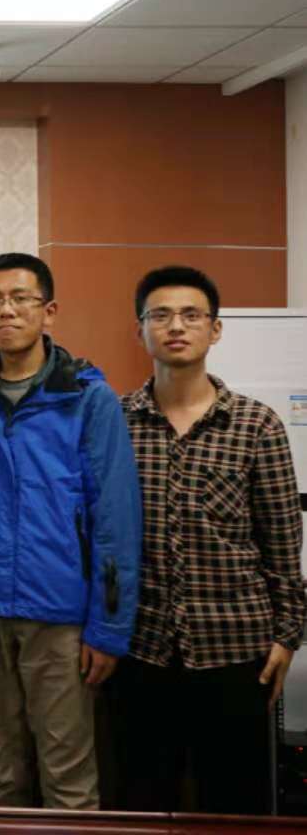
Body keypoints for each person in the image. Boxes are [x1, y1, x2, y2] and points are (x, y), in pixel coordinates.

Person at [0, 252, 141, 810]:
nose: (6, 310)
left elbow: (115, 520)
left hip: (61, 616)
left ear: (48, 311)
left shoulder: (87, 398)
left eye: (20, 299)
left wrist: (109, 628)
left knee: (68, 776)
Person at [112, 265, 304, 814]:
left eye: (191, 315)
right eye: (161, 315)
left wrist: (288, 637)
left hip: (237, 649)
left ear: (215, 329)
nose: (176, 326)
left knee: (236, 806)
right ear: (140, 330)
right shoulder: (115, 422)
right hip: (141, 648)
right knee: (144, 802)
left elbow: (283, 541)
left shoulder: (257, 425)